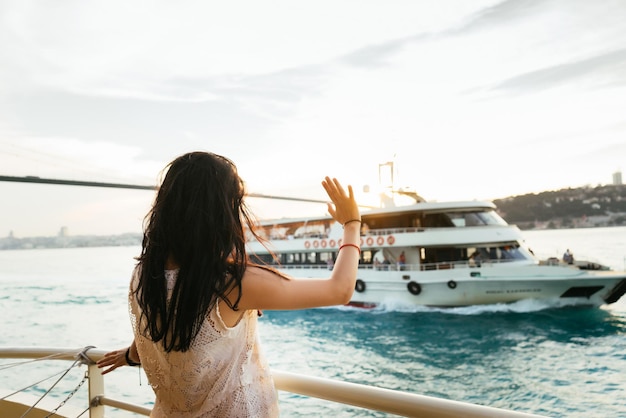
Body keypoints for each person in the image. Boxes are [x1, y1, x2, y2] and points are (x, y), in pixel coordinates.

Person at [96, 151, 361, 417]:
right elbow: (340, 290)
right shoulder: (233, 284)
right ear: (222, 211)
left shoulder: (142, 274)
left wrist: (133, 353)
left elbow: (165, 332)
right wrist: (351, 223)